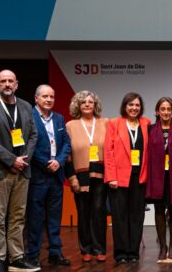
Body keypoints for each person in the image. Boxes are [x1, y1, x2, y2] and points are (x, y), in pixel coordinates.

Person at [0, 70, 40, 272]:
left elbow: (33, 136)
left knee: (18, 217)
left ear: (16, 84)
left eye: (10, 81)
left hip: (22, 171)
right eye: (3, 81)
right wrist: (11, 160)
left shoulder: (26, 106)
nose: (7, 84)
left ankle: (16, 258)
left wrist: (22, 161)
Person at [25, 85, 71, 267]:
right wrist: (46, 163)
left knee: (54, 217)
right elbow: (29, 146)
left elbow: (67, 143)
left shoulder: (59, 119)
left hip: (56, 175)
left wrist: (59, 161)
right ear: (36, 98)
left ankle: (55, 252)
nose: (48, 100)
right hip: (38, 175)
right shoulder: (29, 117)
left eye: (51, 96)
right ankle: (33, 255)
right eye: (44, 96)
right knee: (35, 218)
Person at [104, 92, 150, 264]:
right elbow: (108, 152)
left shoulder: (146, 123)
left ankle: (133, 252)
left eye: (137, 105)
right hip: (119, 178)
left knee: (137, 216)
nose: (134, 108)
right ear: (125, 106)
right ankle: (121, 253)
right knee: (120, 217)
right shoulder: (114, 123)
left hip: (140, 178)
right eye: (131, 105)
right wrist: (111, 177)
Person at [64, 90, 109, 262]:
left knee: (99, 211)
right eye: (83, 102)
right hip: (79, 176)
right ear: (78, 106)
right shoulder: (70, 126)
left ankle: (100, 249)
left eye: (91, 102)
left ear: (95, 105)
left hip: (101, 175)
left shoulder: (105, 123)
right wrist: (72, 177)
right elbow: (66, 155)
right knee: (83, 213)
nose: (88, 104)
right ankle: (86, 250)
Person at [145, 97, 172, 261]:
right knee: (159, 210)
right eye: (162, 109)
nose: (166, 112)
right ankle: (162, 247)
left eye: (169, 109)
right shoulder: (150, 129)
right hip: (157, 176)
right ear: (157, 111)